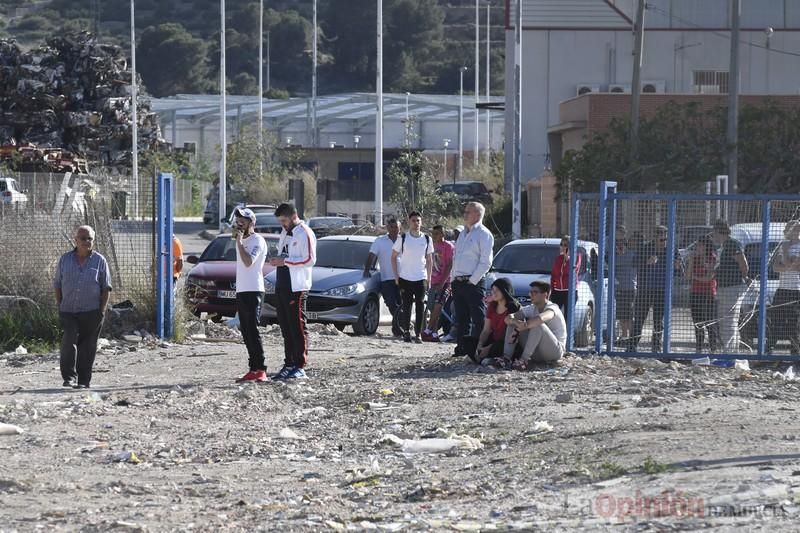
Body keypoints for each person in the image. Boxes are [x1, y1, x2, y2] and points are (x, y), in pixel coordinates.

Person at [54, 225, 112, 389]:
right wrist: (60, 305)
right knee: (68, 341)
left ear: (93, 241)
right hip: (68, 311)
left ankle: (84, 381)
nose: (86, 241)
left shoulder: (100, 261)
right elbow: (57, 285)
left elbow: (106, 287)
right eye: (83, 238)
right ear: (76, 240)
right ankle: (69, 378)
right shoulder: (65, 260)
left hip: (91, 312)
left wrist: (101, 310)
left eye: (89, 239)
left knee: (88, 346)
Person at [270, 203, 317, 379]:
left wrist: (286, 262)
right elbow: (285, 254)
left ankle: (300, 364)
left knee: (297, 326)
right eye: (280, 221)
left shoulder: (305, 232)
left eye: (284, 220)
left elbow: (310, 259)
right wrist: (277, 260)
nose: (282, 224)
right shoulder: (285, 232)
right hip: (282, 283)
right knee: (285, 326)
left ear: (293, 216)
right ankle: (289, 363)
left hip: (297, 286)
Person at [450, 202, 494, 357]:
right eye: (465, 211)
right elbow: (457, 257)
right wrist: (453, 278)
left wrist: (472, 281)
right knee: (461, 318)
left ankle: (482, 348)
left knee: (478, 318)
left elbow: (486, 262)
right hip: (458, 281)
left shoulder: (484, 234)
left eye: (468, 212)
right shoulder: (463, 233)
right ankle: (462, 348)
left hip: (473, 282)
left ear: (477, 214)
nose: (465, 214)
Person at [629, 225, 682, 352]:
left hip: (662, 290)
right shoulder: (645, 248)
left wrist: (678, 267)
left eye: (666, 239)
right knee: (639, 319)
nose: (664, 242)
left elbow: (680, 273)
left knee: (659, 321)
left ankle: (656, 347)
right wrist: (646, 262)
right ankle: (632, 346)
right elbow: (634, 263)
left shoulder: (672, 250)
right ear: (655, 238)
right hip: (645, 290)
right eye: (661, 240)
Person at [232, 208, 269, 383]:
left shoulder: (257, 240)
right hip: (242, 289)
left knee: (253, 330)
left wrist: (239, 242)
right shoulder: (241, 240)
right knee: (245, 331)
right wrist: (239, 241)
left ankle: (261, 368)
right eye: (238, 219)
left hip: (254, 289)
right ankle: (253, 368)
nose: (240, 222)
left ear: (251, 223)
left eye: (244, 220)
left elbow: (248, 262)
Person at [391, 211, 434, 343]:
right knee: (407, 305)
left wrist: (429, 278)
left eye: (418, 221)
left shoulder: (427, 239)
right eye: (414, 220)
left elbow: (429, 259)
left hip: (421, 277)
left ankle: (418, 333)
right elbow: (393, 257)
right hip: (405, 277)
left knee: (420, 305)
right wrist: (396, 276)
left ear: (422, 222)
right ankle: (406, 332)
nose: (416, 223)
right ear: (409, 222)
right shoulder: (403, 238)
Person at [503, 280, 567, 368]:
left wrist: (521, 328)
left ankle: (523, 360)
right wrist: (515, 322)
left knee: (538, 325)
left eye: (535, 292)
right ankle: (506, 359)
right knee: (513, 323)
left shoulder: (552, 308)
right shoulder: (532, 308)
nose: (531, 295)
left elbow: (541, 318)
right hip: (536, 352)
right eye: (531, 292)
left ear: (545, 295)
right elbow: (508, 318)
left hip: (554, 352)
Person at [712, 219, 748, 353]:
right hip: (723, 287)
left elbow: (743, 263)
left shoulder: (732, 244)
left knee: (729, 320)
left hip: (732, 287)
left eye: (714, 232)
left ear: (718, 231)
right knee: (725, 320)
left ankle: (730, 353)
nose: (713, 235)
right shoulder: (723, 246)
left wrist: (742, 278)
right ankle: (731, 351)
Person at [364, 218, 403, 337]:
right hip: (387, 278)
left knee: (402, 304)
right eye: (391, 227)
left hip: (404, 278)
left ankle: (398, 328)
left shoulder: (404, 240)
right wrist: (366, 270)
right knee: (391, 303)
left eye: (396, 227)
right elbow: (371, 255)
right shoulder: (380, 241)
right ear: (387, 228)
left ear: (399, 228)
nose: (394, 229)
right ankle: (399, 325)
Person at [768, 220, 800, 354]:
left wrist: (786, 254)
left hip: (795, 290)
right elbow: (775, 267)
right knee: (775, 318)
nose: (785, 231)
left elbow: (792, 265)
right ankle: (767, 351)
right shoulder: (783, 245)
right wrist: (786, 264)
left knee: (793, 323)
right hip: (782, 289)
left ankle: (795, 352)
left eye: (788, 229)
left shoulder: (796, 246)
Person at [474, 278, 520, 363]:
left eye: (497, 290)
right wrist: (479, 345)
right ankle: (482, 355)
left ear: (505, 291)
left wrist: (489, 348)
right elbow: (486, 330)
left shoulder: (514, 307)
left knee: (496, 348)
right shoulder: (492, 306)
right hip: (494, 339)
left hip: (507, 342)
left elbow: (512, 335)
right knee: (471, 342)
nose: (493, 293)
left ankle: (493, 358)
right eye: (493, 290)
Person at [422, 225, 454, 342]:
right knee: (432, 306)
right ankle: (434, 333)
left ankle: (429, 329)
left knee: (439, 303)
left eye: (437, 233)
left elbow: (450, 265)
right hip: (433, 280)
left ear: (442, 234)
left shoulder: (448, 246)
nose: (434, 235)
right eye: (433, 233)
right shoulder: (431, 246)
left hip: (446, 281)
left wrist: (443, 282)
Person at [687, 235, 718, 353]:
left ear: (706, 246)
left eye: (700, 245)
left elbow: (708, 278)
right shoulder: (695, 259)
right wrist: (691, 260)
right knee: (697, 323)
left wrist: (695, 277)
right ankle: (698, 349)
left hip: (708, 293)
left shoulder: (712, 258)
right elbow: (688, 276)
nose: (697, 248)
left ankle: (713, 349)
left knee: (710, 322)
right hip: (695, 293)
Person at [550, 235, 581, 326]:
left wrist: (567, 258)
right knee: (554, 315)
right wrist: (552, 289)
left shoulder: (577, 257)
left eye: (565, 245)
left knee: (568, 316)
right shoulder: (558, 259)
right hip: (557, 291)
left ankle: (568, 338)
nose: (562, 247)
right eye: (561, 244)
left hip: (569, 291)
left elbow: (572, 271)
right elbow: (554, 275)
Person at [614, 236, 637, 347]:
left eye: (621, 242)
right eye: (617, 242)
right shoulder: (614, 255)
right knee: (622, 314)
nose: (619, 245)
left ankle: (631, 338)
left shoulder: (631, 255)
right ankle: (624, 337)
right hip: (619, 288)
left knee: (630, 314)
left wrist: (619, 255)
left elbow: (619, 261)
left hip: (630, 288)